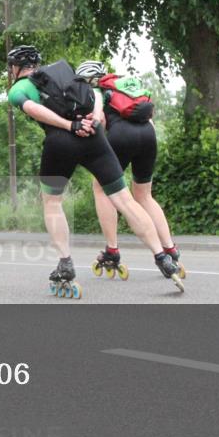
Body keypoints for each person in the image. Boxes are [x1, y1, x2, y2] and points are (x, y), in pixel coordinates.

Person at [6, 46, 184, 296]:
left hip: (60, 142)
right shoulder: (65, 76)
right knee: (124, 199)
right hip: (94, 137)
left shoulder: (19, 88)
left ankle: (65, 264)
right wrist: (95, 119)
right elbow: (96, 95)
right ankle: (162, 257)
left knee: (52, 202)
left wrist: (70, 125)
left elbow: (33, 109)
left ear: (15, 67)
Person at [74, 61, 185, 279]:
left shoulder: (98, 92)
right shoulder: (126, 87)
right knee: (144, 195)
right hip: (148, 136)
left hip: (121, 137)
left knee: (101, 188)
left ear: (89, 79)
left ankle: (112, 250)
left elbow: (102, 122)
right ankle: (170, 248)